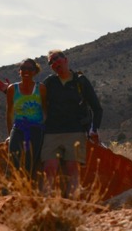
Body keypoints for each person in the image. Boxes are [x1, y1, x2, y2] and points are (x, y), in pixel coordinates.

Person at [41, 49, 103, 198]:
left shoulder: (80, 81)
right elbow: (33, 99)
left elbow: (97, 107)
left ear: (65, 59)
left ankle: (72, 207)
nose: (54, 63)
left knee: (73, 170)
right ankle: (45, 207)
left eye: (56, 59)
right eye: (51, 62)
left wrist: (94, 129)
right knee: (49, 169)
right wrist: (8, 91)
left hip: (76, 131)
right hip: (52, 132)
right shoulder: (49, 82)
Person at [6, 58, 47, 177]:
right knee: (13, 161)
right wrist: (10, 134)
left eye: (30, 69)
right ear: (19, 71)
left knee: (30, 163)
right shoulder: (12, 89)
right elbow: (9, 113)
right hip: (18, 128)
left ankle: (26, 191)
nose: (26, 71)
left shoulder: (41, 88)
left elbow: (45, 110)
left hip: (36, 130)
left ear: (35, 71)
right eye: (23, 68)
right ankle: (8, 192)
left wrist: (45, 130)